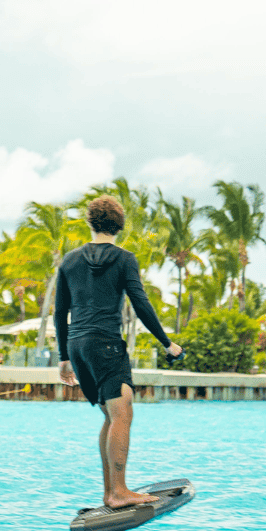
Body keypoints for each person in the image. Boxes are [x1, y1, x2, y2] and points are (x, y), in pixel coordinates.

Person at [55, 195, 183, 508]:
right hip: (106, 344)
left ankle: (110, 492)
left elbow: (60, 313)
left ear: (91, 222)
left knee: (111, 418)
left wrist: (63, 357)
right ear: (119, 225)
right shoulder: (124, 259)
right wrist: (167, 343)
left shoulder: (69, 261)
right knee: (123, 414)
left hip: (77, 346)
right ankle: (119, 492)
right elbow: (141, 303)